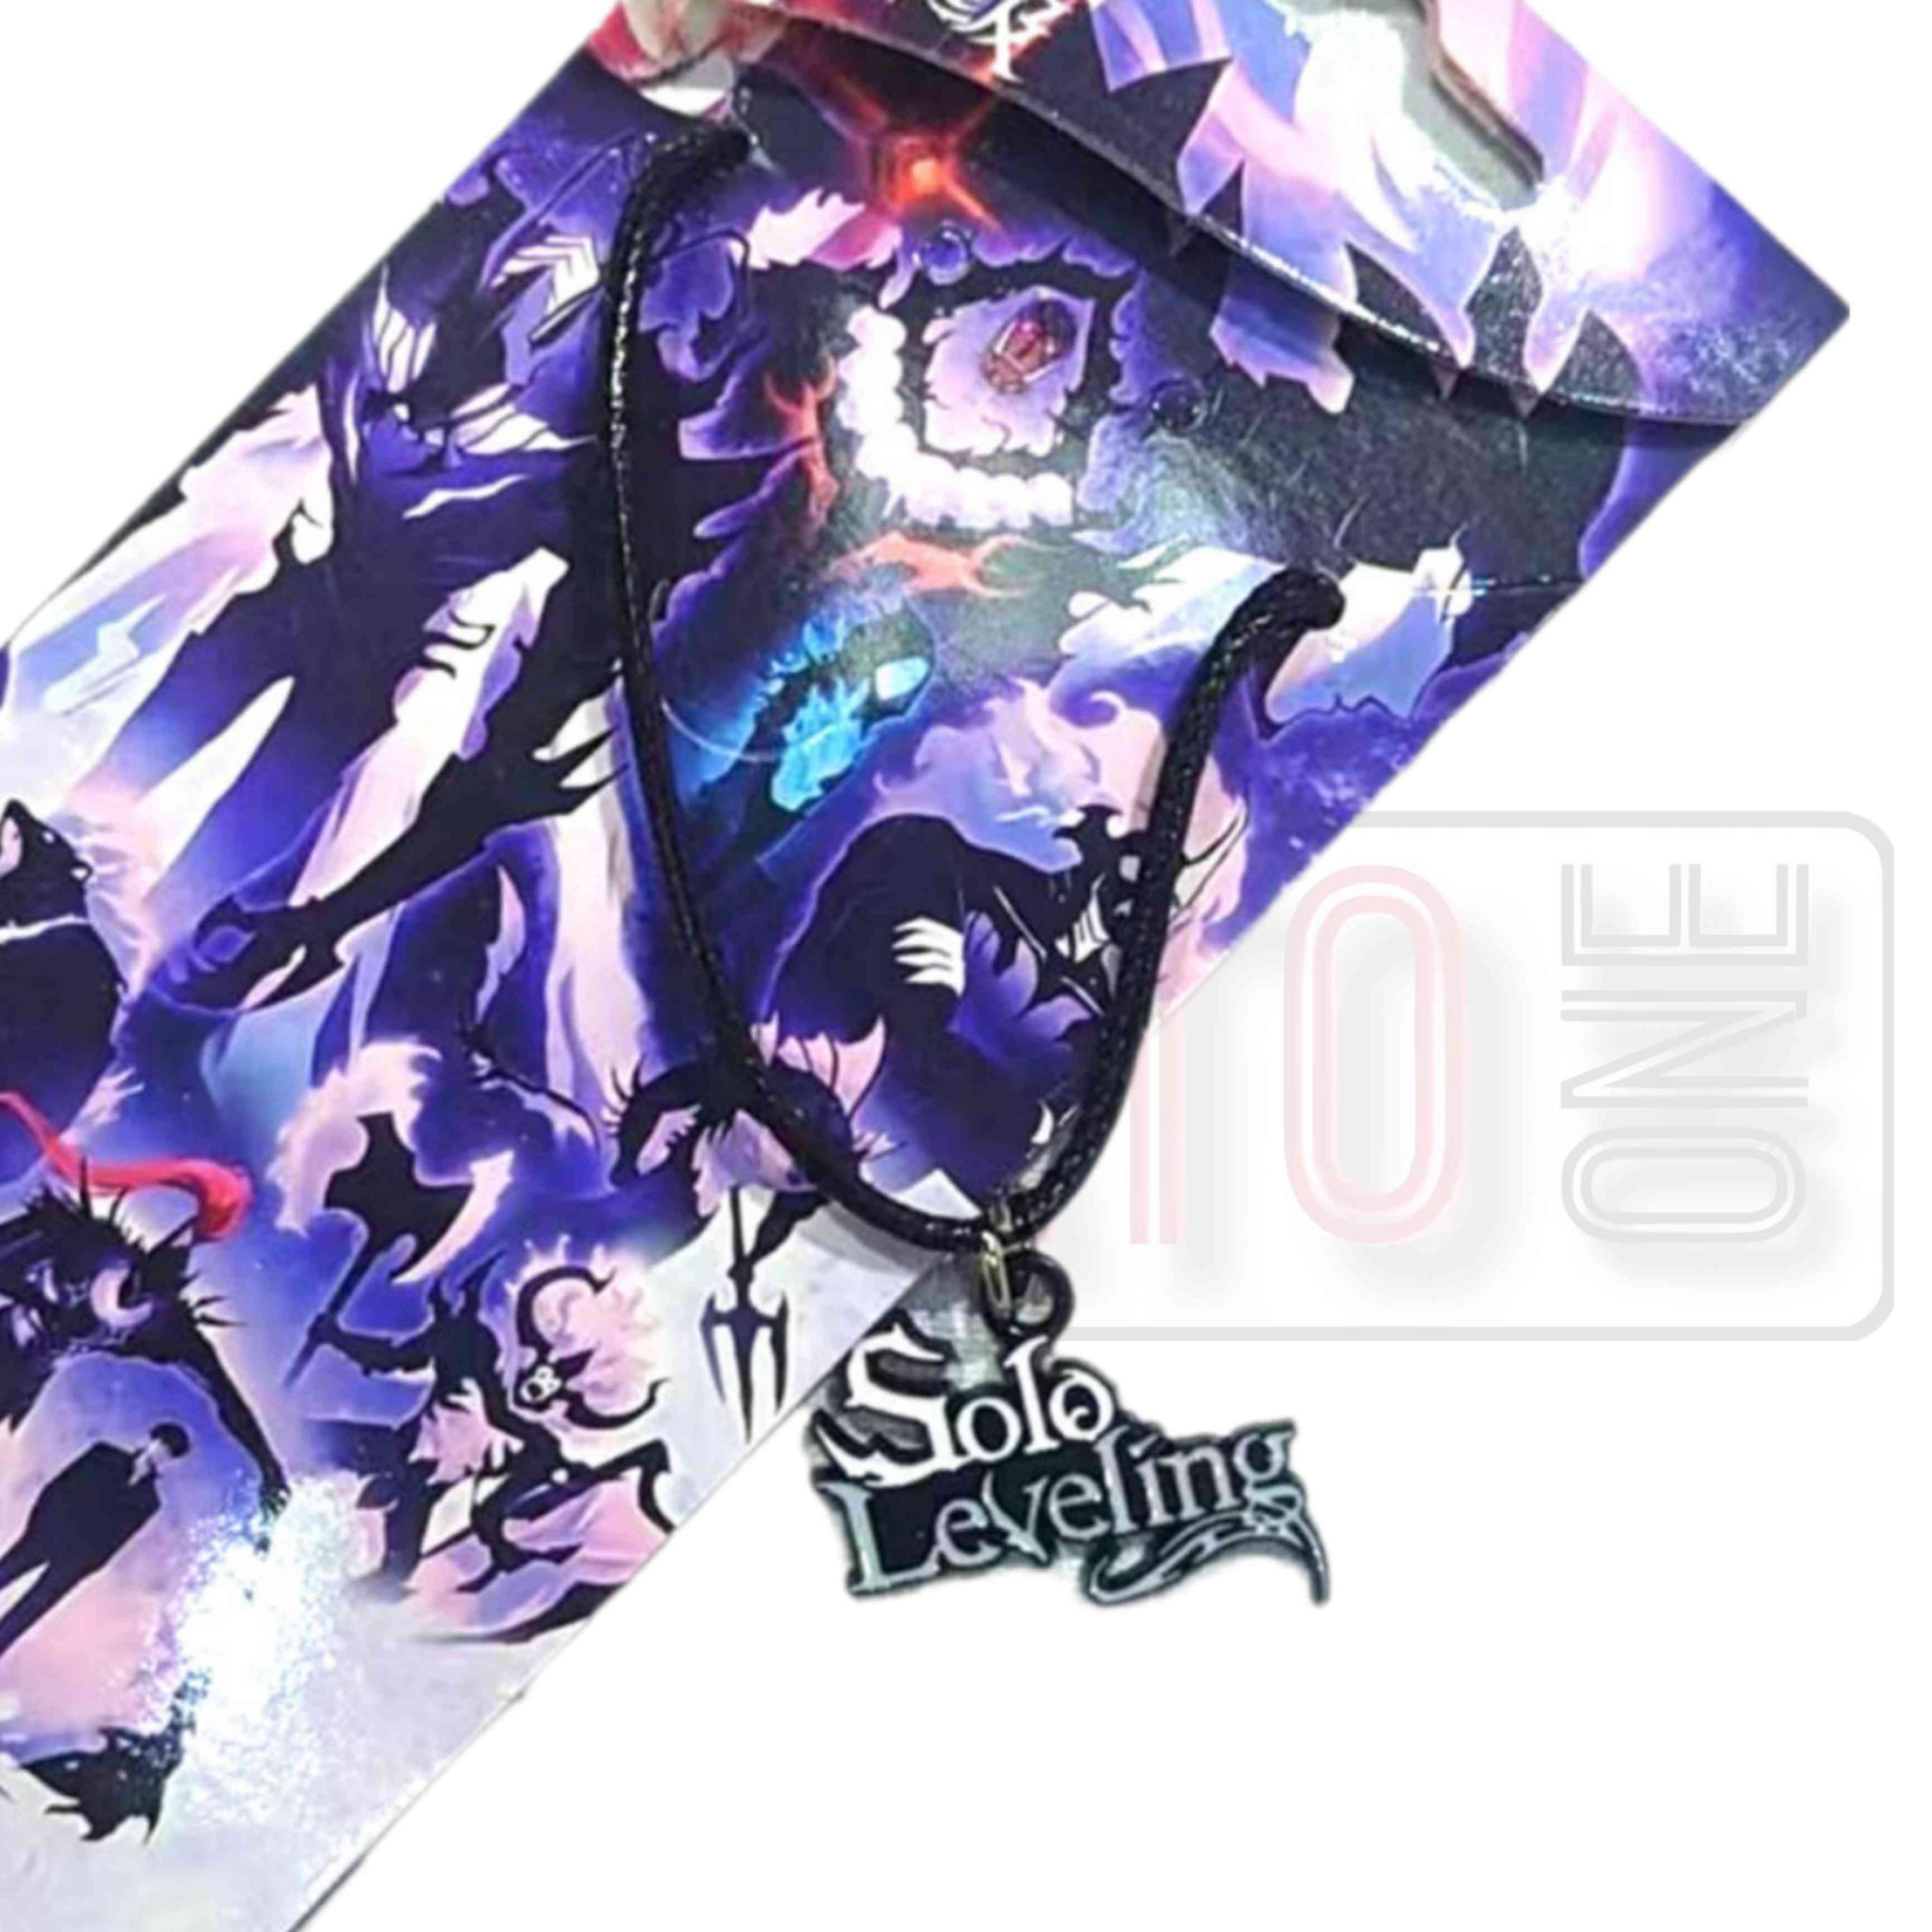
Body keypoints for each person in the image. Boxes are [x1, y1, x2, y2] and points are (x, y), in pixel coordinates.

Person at [0, 1425, 190, 1660]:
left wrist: (87, 1566)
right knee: (5, 1571)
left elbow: (117, 1541)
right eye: (161, 1444)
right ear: (151, 1440)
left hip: (75, 1562)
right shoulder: (104, 1455)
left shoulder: (149, 1502)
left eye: (169, 1452)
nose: (161, 1452)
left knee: (28, 1611)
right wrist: (39, 1528)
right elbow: (57, 1487)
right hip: (46, 1536)